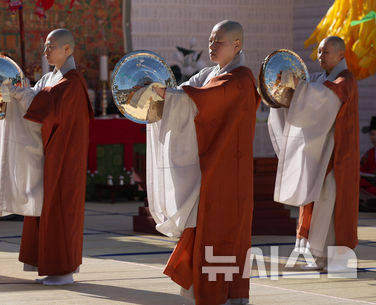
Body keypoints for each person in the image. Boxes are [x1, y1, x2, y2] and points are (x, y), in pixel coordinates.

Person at [144, 20, 259, 304]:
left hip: (228, 175)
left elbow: (196, 101)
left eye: (218, 41)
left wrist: (168, 97)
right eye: (210, 40)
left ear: (237, 45)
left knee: (224, 234)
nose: (211, 45)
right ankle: (213, 293)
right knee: (207, 231)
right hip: (212, 170)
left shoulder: (240, 78)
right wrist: (163, 92)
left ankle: (227, 295)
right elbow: (187, 91)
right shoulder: (210, 74)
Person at [0, 28, 93, 286]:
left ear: (68, 49)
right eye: (45, 46)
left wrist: (20, 94)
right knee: (44, 205)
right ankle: (50, 266)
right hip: (49, 153)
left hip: (65, 157)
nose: (46, 51)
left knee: (60, 208)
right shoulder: (51, 78)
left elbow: (45, 105)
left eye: (52, 46)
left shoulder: (72, 82)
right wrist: (12, 93)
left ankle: (64, 270)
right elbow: (33, 99)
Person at [268, 36, 359, 270]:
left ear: (341, 55)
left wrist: (300, 88)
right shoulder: (320, 78)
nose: (320, 57)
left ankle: (331, 258)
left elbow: (321, 98)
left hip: (336, 154)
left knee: (329, 203)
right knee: (315, 203)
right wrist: (282, 93)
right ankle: (316, 256)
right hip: (319, 153)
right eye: (319, 52)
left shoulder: (345, 80)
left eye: (326, 52)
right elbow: (305, 100)